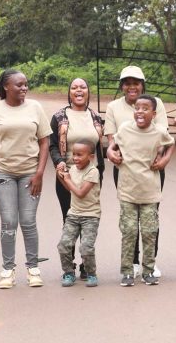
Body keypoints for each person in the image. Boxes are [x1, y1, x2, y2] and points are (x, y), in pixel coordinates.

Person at [0, 69, 51, 289]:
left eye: (26, 84)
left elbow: (44, 141)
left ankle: (33, 268)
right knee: (8, 222)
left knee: (28, 221)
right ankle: (8, 270)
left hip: (30, 173)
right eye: (19, 85)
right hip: (2, 173)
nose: (24, 88)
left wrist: (39, 173)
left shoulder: (35, 108)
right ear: (6, 87)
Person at [104, 65, 168, 278]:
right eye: (127, 83)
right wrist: (112, 154)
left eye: (136, 83)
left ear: (142, 85)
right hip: (125, 168)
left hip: (152, 169)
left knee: (151, 218)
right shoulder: (114, 106)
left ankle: (151, 262)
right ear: (122, 86)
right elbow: (112, 137)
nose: (132, 87)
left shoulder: (155, 102)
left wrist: (160, 158)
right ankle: (132, 262)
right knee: (129, 219)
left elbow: (162, 136)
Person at [49, 77, 104, 280]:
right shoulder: (59, 116)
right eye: (74, 87)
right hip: (67, 176)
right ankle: (69, 267)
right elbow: (52, 144)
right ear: (69, 92)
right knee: (70, 220)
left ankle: (86, 267)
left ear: (88, 92)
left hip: (91, 176)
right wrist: (59, 163)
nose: (79, 90)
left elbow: (99, 148)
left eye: (83, 87)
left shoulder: (96, 117)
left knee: (88, 219)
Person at [56, 141, 101, 288]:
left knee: (86, 247)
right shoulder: (73, 169)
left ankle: (91, 273)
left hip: (90, 215)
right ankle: (68, 272)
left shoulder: (93, 172)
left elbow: (80, 193)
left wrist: (67, 179)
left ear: (91, 156)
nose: (75, 157)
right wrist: (61, 176)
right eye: (74, 154)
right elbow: (70, 189)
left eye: (80, 155)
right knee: (64, 245)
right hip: (73, 214)